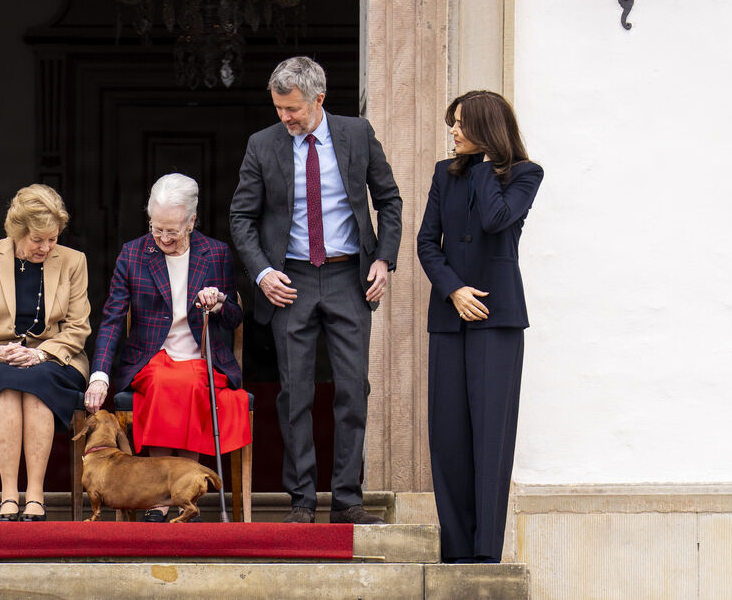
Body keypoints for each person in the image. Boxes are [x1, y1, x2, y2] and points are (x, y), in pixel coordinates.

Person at [229, 56, 402, 524]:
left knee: (352, 389)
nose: (285, 118)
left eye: (293, 109)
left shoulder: (356, 134)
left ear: (319, 99)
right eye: (279, 108)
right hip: (292, 281)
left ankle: (347, 499)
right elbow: (241, 216)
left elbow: (388, 199)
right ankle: (301, 500)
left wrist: (384, 259)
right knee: (295, 392)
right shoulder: (262, 144)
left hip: (350, 277)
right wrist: (263, 273)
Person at [416, 90, 543, 562]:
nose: (453, 131)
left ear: (487, 131)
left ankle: (487, 553)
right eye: (453, 122)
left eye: (463, 123)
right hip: (450, 318)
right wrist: (453, 290)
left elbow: (496, 219)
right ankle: (456, 552)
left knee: (490, 435)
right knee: (448, 437)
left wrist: (489, 164)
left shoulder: (525, 175)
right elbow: (427, 242)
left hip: (498, 320)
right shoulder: (441, 174)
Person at [84, 173, 251, 523]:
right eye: (156, 228)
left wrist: (219, 302)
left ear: (192, 220)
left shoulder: (215, 253)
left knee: (192, 382)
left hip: (200, 355)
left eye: (172, 231)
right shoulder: (134, 253)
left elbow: (234, 318)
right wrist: (99, 374)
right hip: (152, 357)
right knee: (163, 381)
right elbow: (113, 317)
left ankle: (184, 488)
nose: (162, 238)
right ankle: (157, 498)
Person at [0, 184, 91, 522]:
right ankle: (9, 495)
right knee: (5, 379)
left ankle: (35, 495)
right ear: (18, 232)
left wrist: (41, 354)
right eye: (37, 240)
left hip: (56, 359)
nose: (46, 247)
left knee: (37, 379)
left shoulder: (74, 262)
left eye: (52, 239)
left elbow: (78, 328)